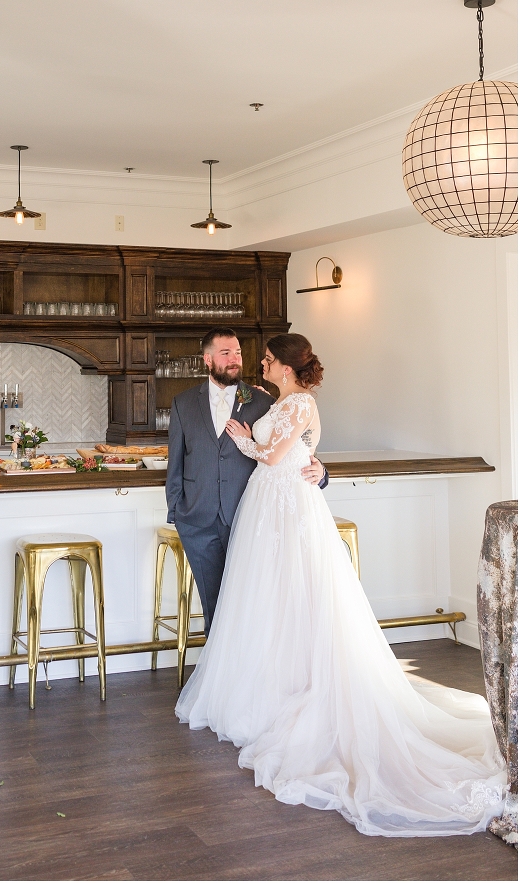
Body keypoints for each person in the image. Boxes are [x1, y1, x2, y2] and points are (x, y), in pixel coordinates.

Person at [176, 334, 506, 837]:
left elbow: (282, 452)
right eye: (235, 354)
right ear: (207, 359)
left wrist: (268, 447)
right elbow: (279, 450)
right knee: (261, 604)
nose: (249, 363)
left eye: (260, 357)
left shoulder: (275, 400)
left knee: (296, 599)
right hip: (247, 512)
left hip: (283, 510)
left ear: (283, 367)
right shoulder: (241, 400)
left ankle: (294, 692)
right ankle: (264, 685)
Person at [166, 328, 328, 635]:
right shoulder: (183, 403)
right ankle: (223, 674)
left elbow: (296, 445)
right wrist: (177, 510)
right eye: (225, 353)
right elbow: (176, 461)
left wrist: (321, 471)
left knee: (256, 601)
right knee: (214, 604)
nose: (234, 359)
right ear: (207, 359)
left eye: (238, 352)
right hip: (198, 520)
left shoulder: (264, 400)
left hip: (252, 519)